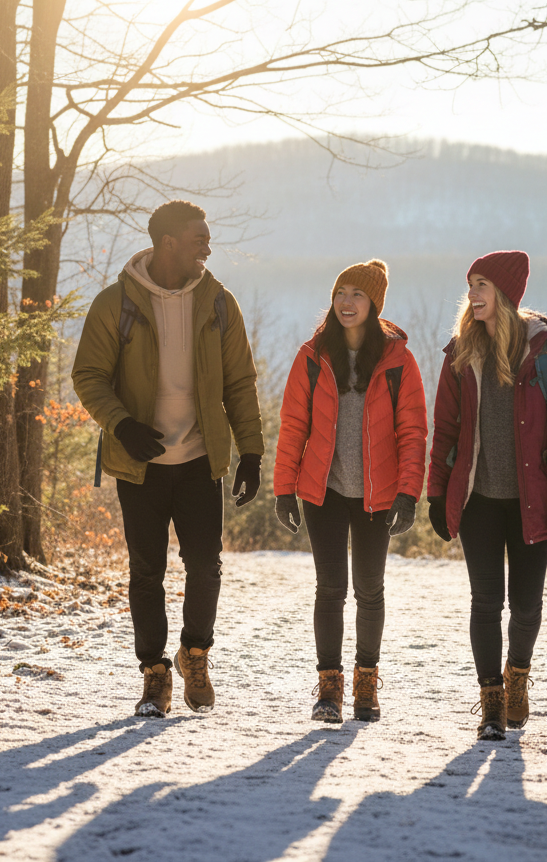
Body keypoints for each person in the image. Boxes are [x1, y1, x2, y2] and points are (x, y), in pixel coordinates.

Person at [72, 200, 264, 718]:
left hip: (201, 460)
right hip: (141, 464)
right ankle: (155, 673)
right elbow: (88, 375)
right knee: (146, 571)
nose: (208, 244)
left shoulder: (219, 303)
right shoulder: (117, 304)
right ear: (168, 242)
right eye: (199, 236)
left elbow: (239, 383)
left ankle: (194, 654)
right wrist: (123, 424)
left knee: (205, 567)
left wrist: (251, 451)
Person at [426, 251, 547, 741]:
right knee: (485, 601)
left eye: (482, 286)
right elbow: (445, 431)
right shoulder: (462, 353)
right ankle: (491, 699)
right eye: (470, 285)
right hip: (478, 499)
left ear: (507, 294)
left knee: (527, 604)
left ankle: (518, 677)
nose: (472, 295)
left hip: (532, 500)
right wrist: (437, 493)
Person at [273, 259, 427, 723]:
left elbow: (413, 431)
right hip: (324, 491)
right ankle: (328, 689)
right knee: (330, 589)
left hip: (377, 495)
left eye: (356, 294)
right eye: (341, 292)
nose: (346, 302)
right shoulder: (313, 355)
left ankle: (365, 683)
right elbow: (293, 425)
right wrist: (284, 490)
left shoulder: (398, 360)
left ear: (374, 303)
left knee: (370, 590)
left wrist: (408, 493)